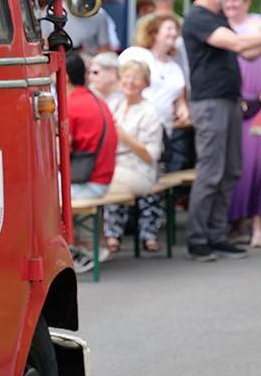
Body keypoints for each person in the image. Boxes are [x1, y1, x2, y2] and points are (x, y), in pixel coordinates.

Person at [180, 0, 261, 261]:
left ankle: (216, 235)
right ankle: (198, 238)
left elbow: (247, 51)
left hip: (228, 100)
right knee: (211, 170)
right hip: (211, 102)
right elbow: (239, 44)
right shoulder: (198, 17)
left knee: (230, 169)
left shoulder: (215, 17)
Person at [102, 60, 167, 253]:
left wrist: (124, 136)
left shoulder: (150, 112)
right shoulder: (114, 105)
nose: (130, 82)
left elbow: (150, 157)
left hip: (139, 167)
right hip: (115, 164)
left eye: (136, 78)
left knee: (106, 180)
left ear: (145, 84)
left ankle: (109, 235)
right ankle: (110, 234)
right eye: (127, 76)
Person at [226, 0, 261, 248]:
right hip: (233, 103)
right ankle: (236, 222)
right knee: (235, 167)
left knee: (257, 167)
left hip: (257, 105)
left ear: (246, 2)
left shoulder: (259, 24)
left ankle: (257, 223)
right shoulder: (220, 27)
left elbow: (256, 48)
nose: (231, 4)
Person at [119, 13, 188, 157]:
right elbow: (119, 82)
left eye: (176, 30)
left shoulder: (174, 67)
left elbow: (179, 98)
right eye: (169, 29)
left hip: (161, 130)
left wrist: (182, 107)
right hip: (134, 124)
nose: (174, 33)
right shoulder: (136, 54)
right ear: (154, 32)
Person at [65, 52, 118, 201]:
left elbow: (59, 151)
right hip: (102, 180)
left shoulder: (70, 105)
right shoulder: (96, 99)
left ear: (64, 77)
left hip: (88, 184)